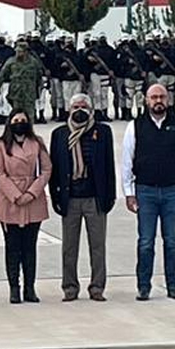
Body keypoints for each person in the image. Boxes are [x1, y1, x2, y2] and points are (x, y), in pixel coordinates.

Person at [122, 84, 175, 302]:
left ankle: (173, 285)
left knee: (171, 240)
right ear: (146, 100)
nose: (158, 101)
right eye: (154, 97)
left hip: (172, 190)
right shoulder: (135, 126)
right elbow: (127, 161)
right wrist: (128, 192)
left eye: (162, 97)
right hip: (145, 191)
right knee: (146, 242)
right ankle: (143, 286)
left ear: (169, 100)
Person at [48, 93, 116, 302]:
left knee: (97, 246)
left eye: (83, 106)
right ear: (69, 110)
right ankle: (70, 287)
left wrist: (110, 196)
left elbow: (109, 165)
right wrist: (55, 197)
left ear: (91, 109)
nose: (79, 109)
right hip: (71, 198)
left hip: (95, 198)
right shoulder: (60, 134)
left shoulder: (102, 131)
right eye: (76, 106)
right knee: (69, 247)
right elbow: (54, 168)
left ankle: (97, 287)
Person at [0, 109, 51, 304]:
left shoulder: (37, 142)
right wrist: (16, 195)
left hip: (33, 198)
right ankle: (14, 288)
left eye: (23, 120)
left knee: (30, 247)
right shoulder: (0, 145)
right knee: (13, 246)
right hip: (10, 200)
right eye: (15, 120)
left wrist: (32, 192)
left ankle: (30, 288)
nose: (19, 123)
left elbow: (46, 169)